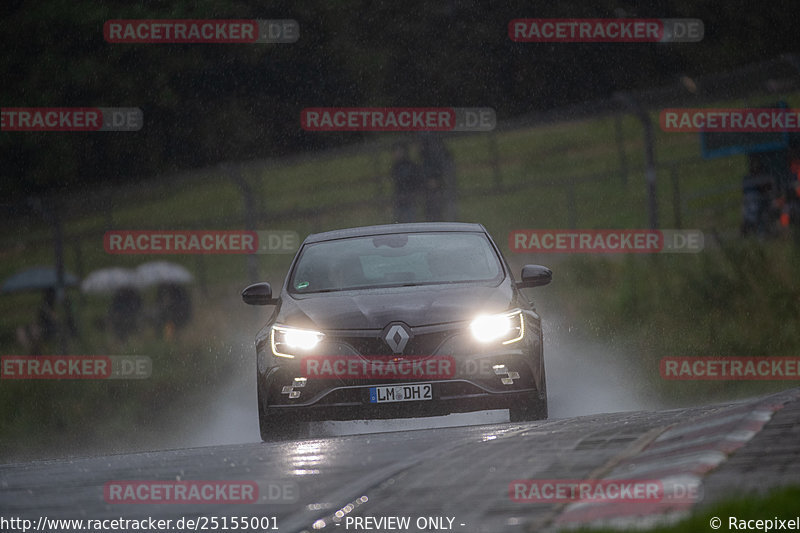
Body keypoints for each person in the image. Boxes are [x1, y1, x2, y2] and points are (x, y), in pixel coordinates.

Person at [419, 133, 456, 221]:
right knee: (432, 210)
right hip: (432, 190)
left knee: (438, 209)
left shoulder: (436, 156)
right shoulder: (427, 157)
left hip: (438, 189)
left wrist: (437, 181)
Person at [389, 141, 423, 223]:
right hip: (400, 200)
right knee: (398, 220)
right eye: (395, 151)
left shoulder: (410, 166)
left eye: (398, 151)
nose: (396, 154)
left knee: (409, 220)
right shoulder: (396, 167)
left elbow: (415, 181)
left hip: (409, 200)